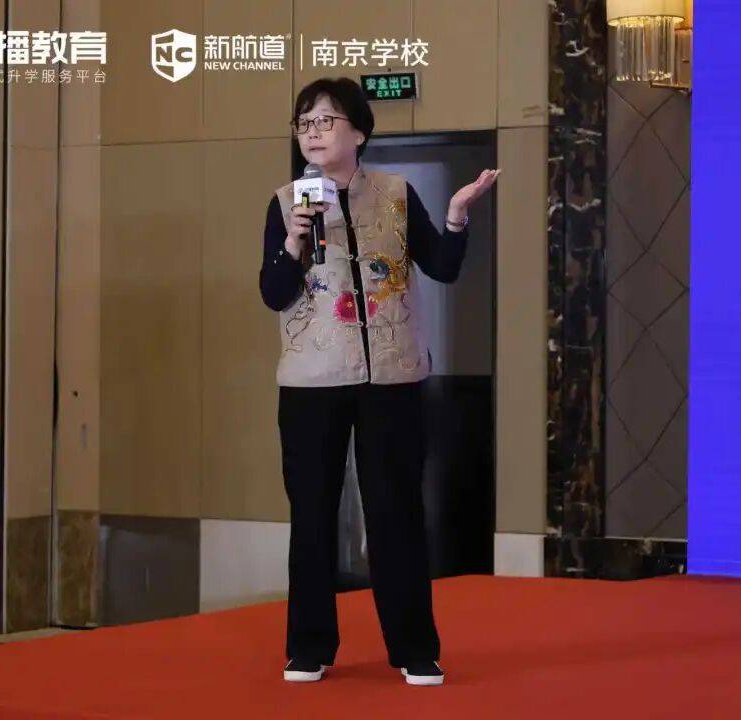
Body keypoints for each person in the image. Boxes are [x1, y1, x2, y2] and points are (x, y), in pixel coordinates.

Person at [259, 76, 499, 686]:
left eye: (326, 121)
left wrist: (456, 217)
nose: (313, 133)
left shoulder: (395, 194)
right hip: (311, 383)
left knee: (396, 513)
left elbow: (441, 267)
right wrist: (293, 242)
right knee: (312, 515)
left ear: (359, 132)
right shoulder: (286, 203)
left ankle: (415, 648)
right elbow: (274, 293)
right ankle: (309, 646)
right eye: (304, 123)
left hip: (391, 379)